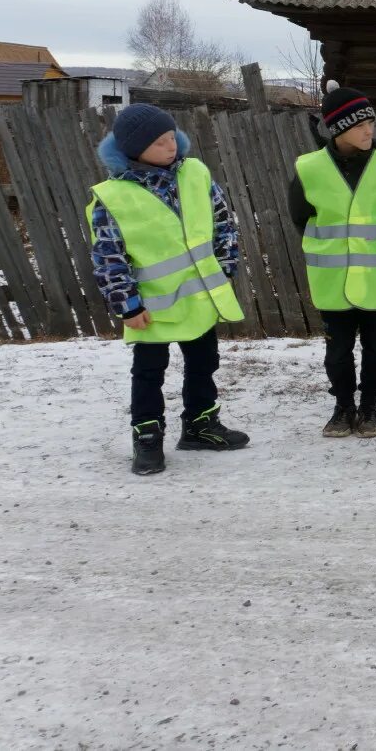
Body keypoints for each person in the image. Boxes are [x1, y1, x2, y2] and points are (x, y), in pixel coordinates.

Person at [88, 103, 248, 475]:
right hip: (151, 307)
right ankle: (147, 436)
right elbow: (109, 255)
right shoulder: (114, 197)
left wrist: (225, 266)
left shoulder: (194, 173)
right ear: (134, 148)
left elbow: (223, 221)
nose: (170, 145)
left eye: (170, 137)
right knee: (148, 372)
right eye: (158, 142)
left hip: (201, 298)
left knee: (204, 363)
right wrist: (127, 304)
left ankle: (199, 424)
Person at [289, 83, 376, 439]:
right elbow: (301, 216)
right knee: (337, 351)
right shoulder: (310, 168)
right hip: (333, 279)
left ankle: (370, 404)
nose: (368, 130)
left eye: (371, 122)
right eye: (359, 124)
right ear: (337, 128)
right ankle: (343, 406)